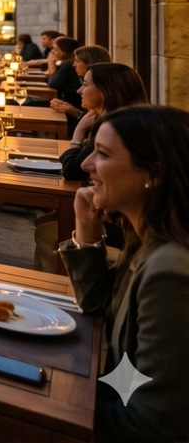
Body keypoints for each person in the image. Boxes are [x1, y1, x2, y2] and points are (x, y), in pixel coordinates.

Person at [60, 105, 189, 442]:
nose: (86, 165)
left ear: (155, 172)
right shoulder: (146, 239)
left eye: (101, 154)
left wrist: (49, 410)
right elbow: (98, 305)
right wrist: (86, 230)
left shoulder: (170, 271)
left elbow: (151, 425)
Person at [60, 63, 148, 181]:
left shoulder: (115, 127)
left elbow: (73, 171)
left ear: (106, 91)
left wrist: (79, 132)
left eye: (85, 85)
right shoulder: (126, 120)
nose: (79, 91)